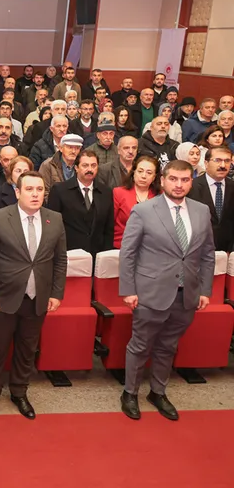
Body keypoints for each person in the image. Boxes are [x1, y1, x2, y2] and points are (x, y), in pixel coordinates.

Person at [119, 160, 215, 421]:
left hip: (187, 294)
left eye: (184, 180)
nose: (179, 184)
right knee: (140, 346)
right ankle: (130, 393)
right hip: (150, 292)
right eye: (173, 179)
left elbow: (207, 254)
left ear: (191, 182)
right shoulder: (144, 210)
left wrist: (205, 289)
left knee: (168, 346)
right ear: (162, 180)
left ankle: (158, 392)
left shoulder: (201, 211)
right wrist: (128, 290)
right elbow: (128, 253)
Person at [0, 171, 67, 420]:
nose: (35, 194)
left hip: (38, 297)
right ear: (18, 192)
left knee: (27, 349)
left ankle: (19, 392)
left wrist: (56, 293)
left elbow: (60, 260)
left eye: (40, 190)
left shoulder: (55, 219)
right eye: (29, 189)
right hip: (3, 297)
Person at [46, 149, 114, 254]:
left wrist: (105, 253)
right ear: (76, 168)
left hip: (97, 254)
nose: (90, 169)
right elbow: (52, 226)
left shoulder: (106, 192)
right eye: (85, 165)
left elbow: (109, 228)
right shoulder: (60, 190)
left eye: (93, 165)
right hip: (68, 253)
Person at [187, 146, 234, 252]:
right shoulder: (191, 187)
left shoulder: (232, 187)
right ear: (206, 163)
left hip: (228, 251)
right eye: (217, 160)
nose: (223, 165)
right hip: (198, 250)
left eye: (227, 161)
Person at [113, 155, 160, 248]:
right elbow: (110, 224)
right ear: (133, 172)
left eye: (149, 173)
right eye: (140, 171)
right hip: (122, 245)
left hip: (151, 247)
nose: (143, 176)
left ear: (154, 177)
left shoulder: (160, 196)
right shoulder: (119, 192)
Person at [40, 132, 84, 201]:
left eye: (77, 148)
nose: (73, 151)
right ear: (60, 148)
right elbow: (43, 191)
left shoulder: (83, 166)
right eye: (70, 147)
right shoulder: (48, 165)